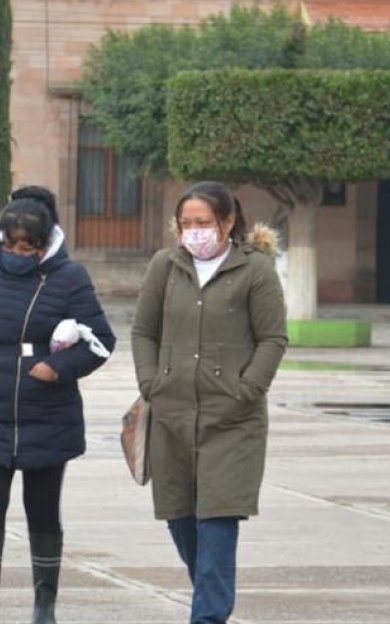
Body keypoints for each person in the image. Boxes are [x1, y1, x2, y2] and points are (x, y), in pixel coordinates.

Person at [0, 189, 116, 624]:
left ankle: (44, 608)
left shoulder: (69, 277)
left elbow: (101, 342)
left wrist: (57, 368)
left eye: (27, 246)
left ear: (44, 244)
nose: (16, 253)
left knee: (42, 512)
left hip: (47, 417)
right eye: (9, 243)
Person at [131, 182, 286, 624]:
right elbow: (144, 331)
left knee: (217, 519)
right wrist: (150, 382)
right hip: (172, 415)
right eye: (186, 224)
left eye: (203, 223)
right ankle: (212, 598)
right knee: (180, 518)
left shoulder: (255, 270)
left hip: (232, 420)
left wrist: (247, 388)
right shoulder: (165, 266)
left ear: (228, 221)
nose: (194, 231)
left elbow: (273, 338)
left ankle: (208, 617)